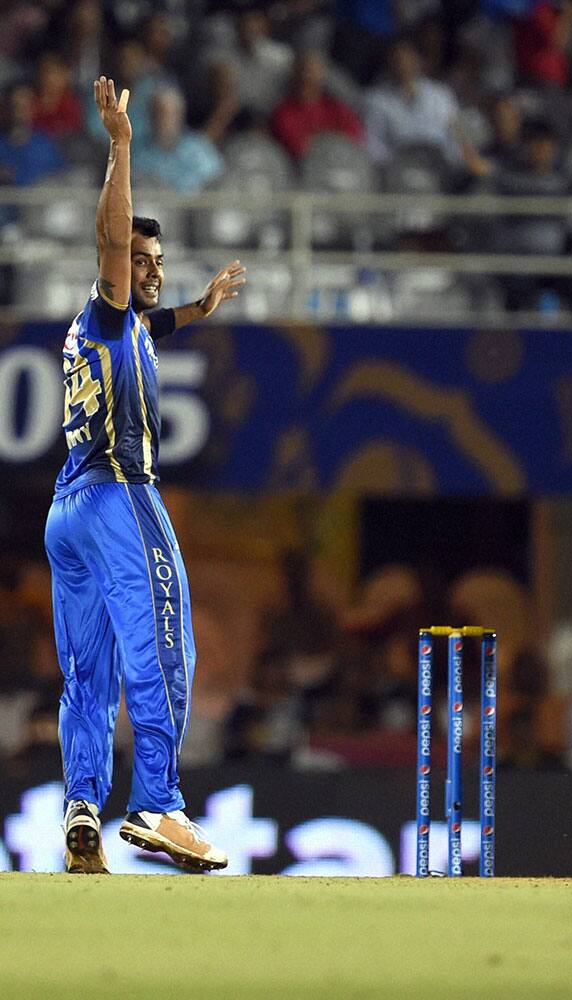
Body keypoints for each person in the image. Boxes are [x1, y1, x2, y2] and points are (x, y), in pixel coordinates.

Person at [43, 77, 246, 874]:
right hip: (121, 494)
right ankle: (158, 803)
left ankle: (82, 805)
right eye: (141, 260)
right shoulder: (105, 305)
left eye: (157, 260)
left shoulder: (118, 327)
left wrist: (200, 305)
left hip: (69, 511)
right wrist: (122, 144)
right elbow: (110, 246)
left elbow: (157, 321)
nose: (149, 271)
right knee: (165, 641)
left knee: (85, 673)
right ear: (119, 264)